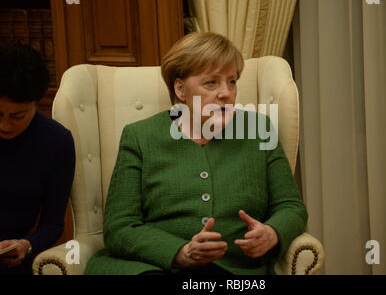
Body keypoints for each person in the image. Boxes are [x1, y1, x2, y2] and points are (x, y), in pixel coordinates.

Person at [85, 32, 308, 275]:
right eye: (211, 82)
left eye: (232, 81)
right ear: (180, 89)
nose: (226, 93)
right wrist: (180, 252)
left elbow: (291, 207)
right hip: (152, 267)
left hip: (234, 271)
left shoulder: (258, 131)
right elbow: (120, 227)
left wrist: (272, 233)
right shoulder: (140, 137)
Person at [0, 43, 76, 275]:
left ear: (36, 104)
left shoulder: (55, 141)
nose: (4, 125)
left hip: (8, 259)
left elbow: (53, 224)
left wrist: (27, 245)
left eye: (17, 116)